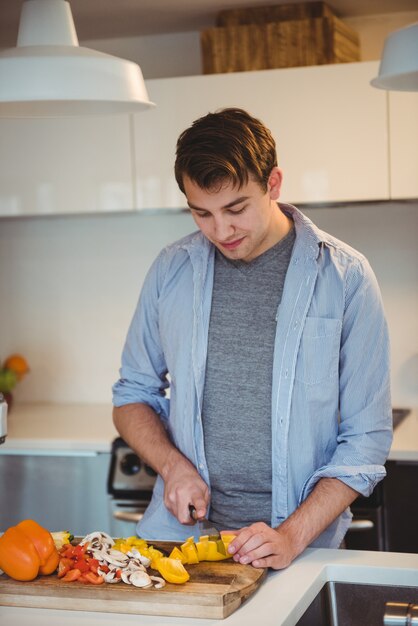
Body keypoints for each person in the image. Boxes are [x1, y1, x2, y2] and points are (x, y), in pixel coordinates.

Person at [112, 108, 392, 570]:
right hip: (179, 544)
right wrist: (173, 467)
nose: (220, 231)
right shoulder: (171, 269)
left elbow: (367, 439)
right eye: (202, 213)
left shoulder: (346, 277)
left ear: (274, 184)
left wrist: (291, 536)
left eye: (236, 208)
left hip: (299, 551)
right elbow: (131, 395)